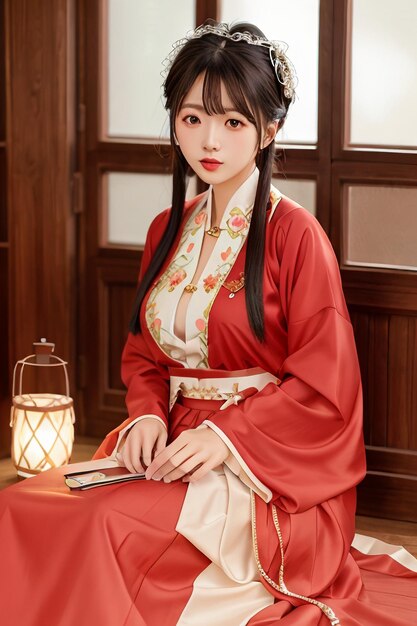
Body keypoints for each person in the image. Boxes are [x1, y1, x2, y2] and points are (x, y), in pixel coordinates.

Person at [0, 19, 417, 626]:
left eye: (233, 121)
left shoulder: (295, 236)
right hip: (167, 443)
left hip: (266, 468)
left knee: (101, 523)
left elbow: (326, 392)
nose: (209, 140)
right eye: (193, 118)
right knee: (23, 506)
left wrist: (225, 438)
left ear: (269, 130)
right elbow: (145, 353)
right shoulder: (166, 229)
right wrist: (144, 411)